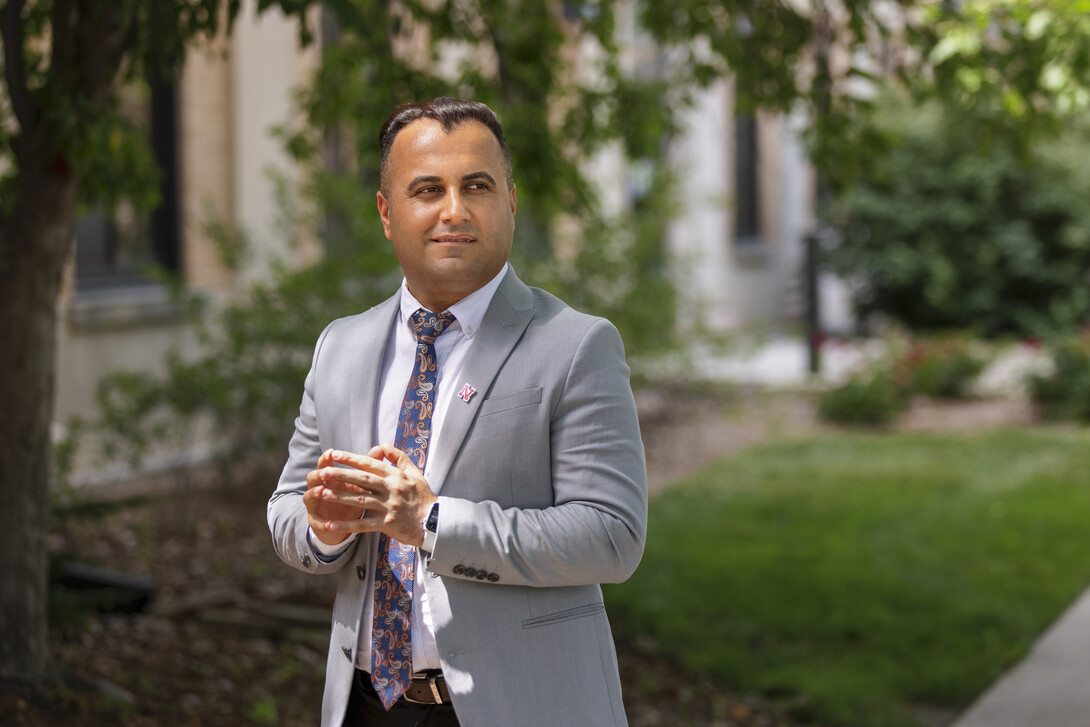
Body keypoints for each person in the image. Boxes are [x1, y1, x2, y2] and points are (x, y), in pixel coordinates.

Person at [268, 96, 648, 727]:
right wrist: (324, 529)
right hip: (367, 704)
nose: (454, 209)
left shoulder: (577, 344)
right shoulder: (341, 346)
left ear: (511, 202)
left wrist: (431, 520)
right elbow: (287, 511)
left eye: (476, 185)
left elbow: (611, 537)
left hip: (521, 707)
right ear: (388, 214)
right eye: (427, 189)